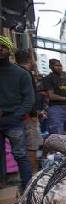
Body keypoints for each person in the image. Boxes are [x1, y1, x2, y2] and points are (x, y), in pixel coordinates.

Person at [0, 36, 34, 192]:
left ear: (9, 50)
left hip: (13, 120)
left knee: (20, 154)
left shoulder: (21, 73)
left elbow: (29, 99)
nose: (0, 49)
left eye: (3, 46)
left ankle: (27, 188)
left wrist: (16, 115)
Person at [14, 49, 43, 173]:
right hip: (27, 117)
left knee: (22, 149)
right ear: (30, 59)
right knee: (32, 147)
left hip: (17, 116)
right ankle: (32, 178)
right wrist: (33, 114)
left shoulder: (14, 72)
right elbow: (29, 97)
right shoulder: (26, 73)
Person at [43, 59, 66, 135]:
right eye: (56, 65)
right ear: (51, 67)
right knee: (57, 133)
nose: (59, 67)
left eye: (60, 65)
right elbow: (51, 96)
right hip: (56, 108)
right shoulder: (48, 79)